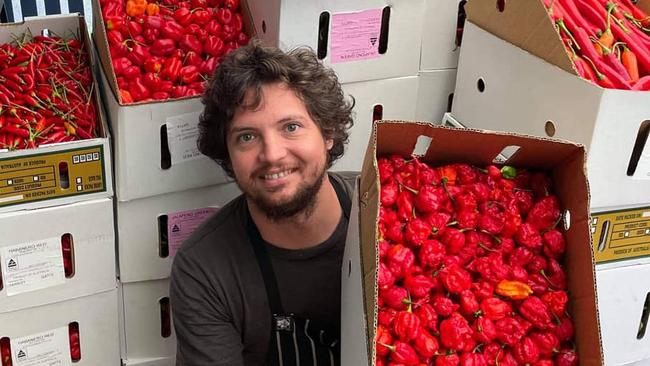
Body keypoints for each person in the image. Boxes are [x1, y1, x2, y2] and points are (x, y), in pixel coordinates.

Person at [170, 40, 356, 366]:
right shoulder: (204, 270)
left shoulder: (382, 209)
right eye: (247, 137)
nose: (272, 154)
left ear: (328, 133)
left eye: (291, 127)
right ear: (227, 155)